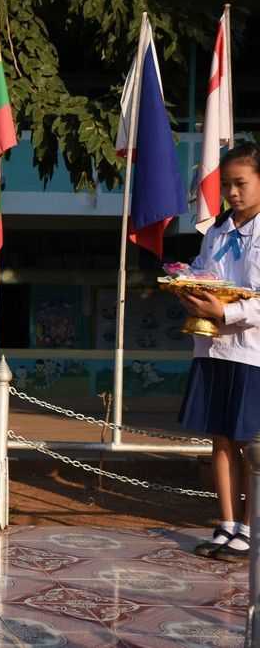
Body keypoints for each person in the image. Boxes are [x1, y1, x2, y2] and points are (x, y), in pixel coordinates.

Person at [179, 143, 260, 561]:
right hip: (213, 348)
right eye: (226, 184)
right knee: (221, 439)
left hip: (251, 353)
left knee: (249, 443)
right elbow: (203, 272)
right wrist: (187, 287)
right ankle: (227, 523)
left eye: (241, 183)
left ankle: (250, 526)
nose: (232, 192)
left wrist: (226, 311)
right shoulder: (216, 231)